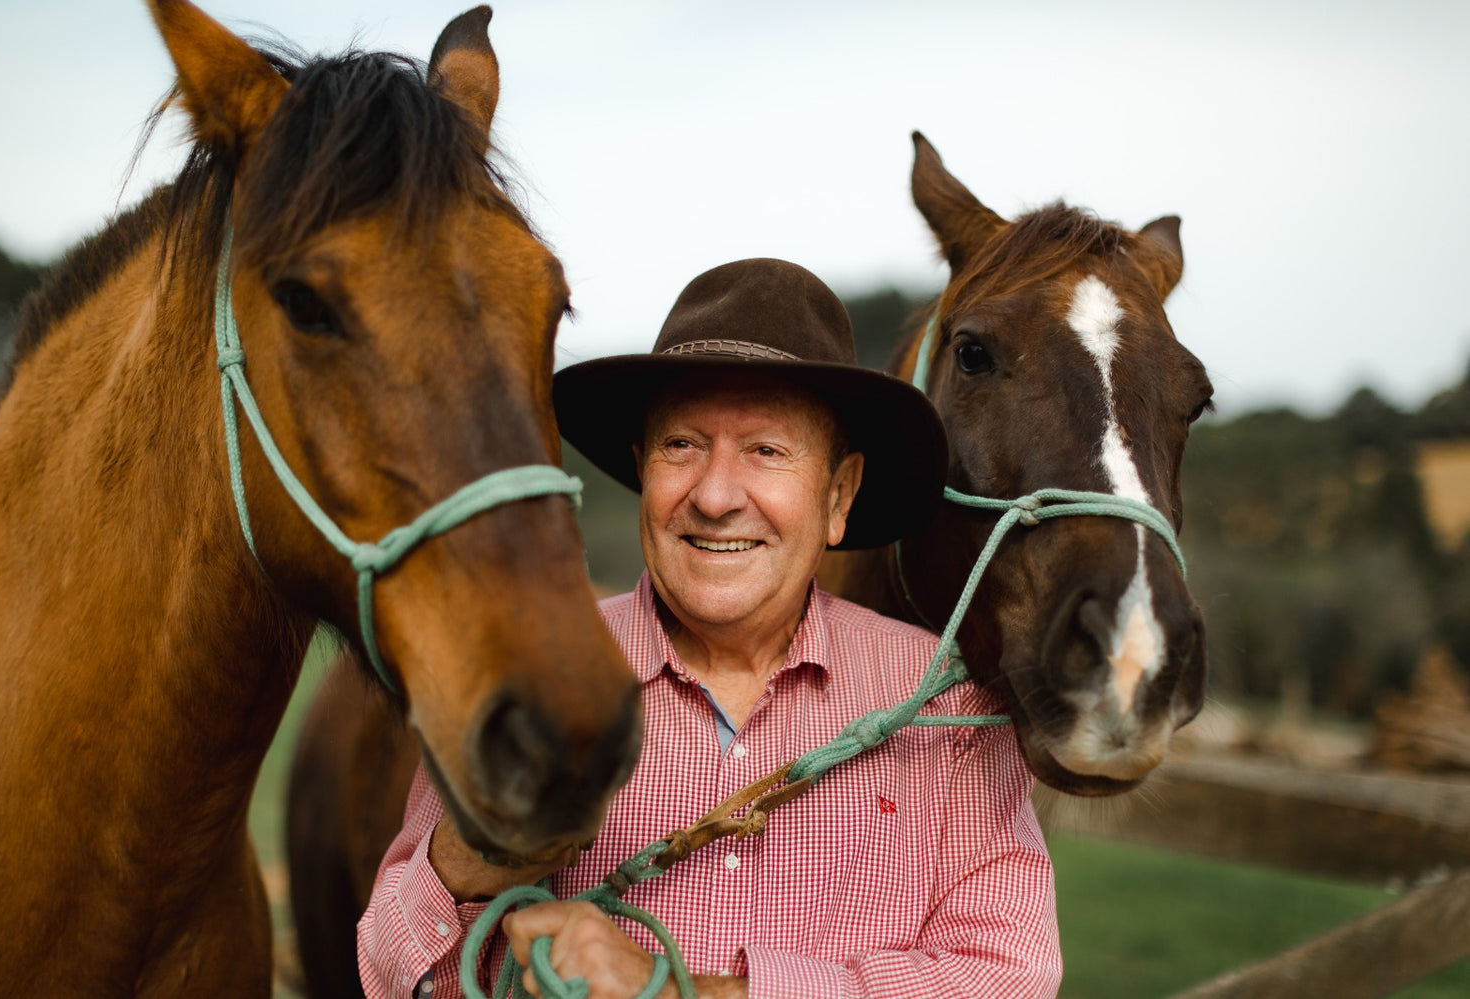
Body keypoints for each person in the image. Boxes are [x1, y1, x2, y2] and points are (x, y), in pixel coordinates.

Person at [357, 259, 1062, 998]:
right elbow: (382, 971)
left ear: (838, 495)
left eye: (766, 450)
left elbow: (1009, 977)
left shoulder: (945, 708)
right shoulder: (527, 671)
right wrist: (473, 858)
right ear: (642, 472)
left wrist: (676, 992)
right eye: (682, 446)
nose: (717, 495)